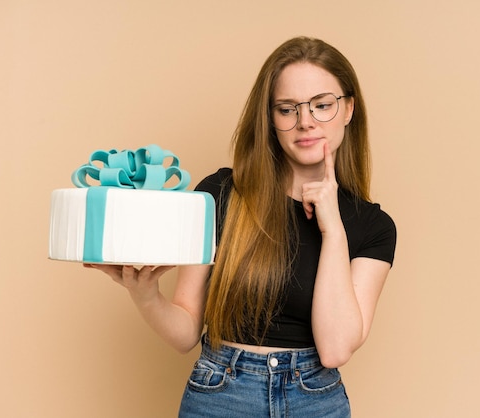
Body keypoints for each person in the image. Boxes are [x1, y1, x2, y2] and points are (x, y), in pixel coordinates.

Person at [86, 36, 396, 417]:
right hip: (220, 394)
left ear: (348, 109)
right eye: (287, 109)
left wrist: (333, 230)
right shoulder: (220, 194)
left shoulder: (374, 227)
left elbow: (334, 349)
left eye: (322, 105)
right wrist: (145, 293)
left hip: (316, 401)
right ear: (270, 119)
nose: (305, 122)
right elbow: (185, 334)